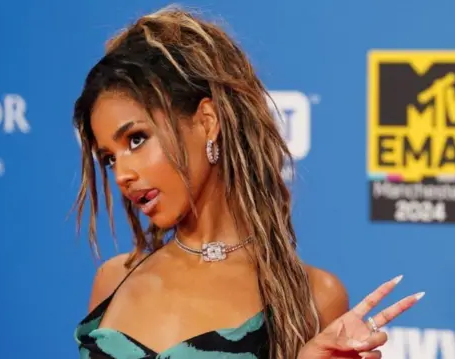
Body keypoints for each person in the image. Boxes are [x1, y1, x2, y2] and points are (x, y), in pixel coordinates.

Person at [72, 5, 424, 359]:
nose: (122, 174)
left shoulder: (312, 297)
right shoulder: (113, 281)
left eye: (136, 139)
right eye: (109, 158)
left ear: (207, 122)